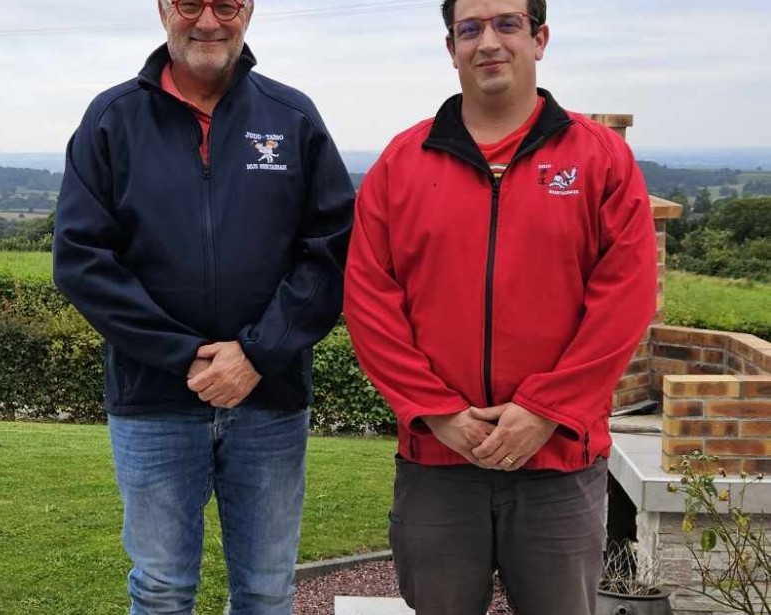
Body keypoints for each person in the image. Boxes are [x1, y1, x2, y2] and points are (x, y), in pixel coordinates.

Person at [343, 1, 657, 614]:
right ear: (451, 47)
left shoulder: (599, 160)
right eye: (470, 28)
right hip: (439, 464)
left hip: (559, 464)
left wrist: (545, 410)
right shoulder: (400, 166)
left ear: (539, 40)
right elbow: (369, 301)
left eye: (507, 24)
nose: (488, 41)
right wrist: (438, 413)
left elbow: (625, 298)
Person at [53, 1, 354, 613]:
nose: (209, 21)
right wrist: (184, 356)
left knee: (267, 593)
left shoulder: (291, 117)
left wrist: (256, 353)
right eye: (190, 2)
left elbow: (333, 252)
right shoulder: (113, 119)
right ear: (164, 8)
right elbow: (82, 260)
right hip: (153, 401)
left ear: (250, 10)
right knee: (161, 591)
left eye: (228, 4)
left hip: (268, 399)